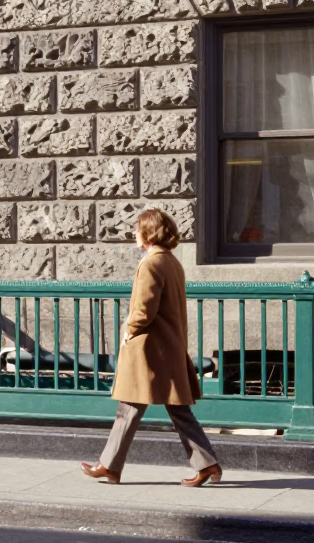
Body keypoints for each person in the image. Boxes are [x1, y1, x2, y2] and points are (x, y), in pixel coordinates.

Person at [80, 208, 222, 487]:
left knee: (130, 406)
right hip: (166, 348)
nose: (134, 233)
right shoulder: (171, 262)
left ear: (147, 233)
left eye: (137, 228)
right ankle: (207, 465)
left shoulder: (151, 263)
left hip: (148, 350)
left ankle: (109, 467)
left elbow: (144, 311)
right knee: (174, 409)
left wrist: (128, 331)